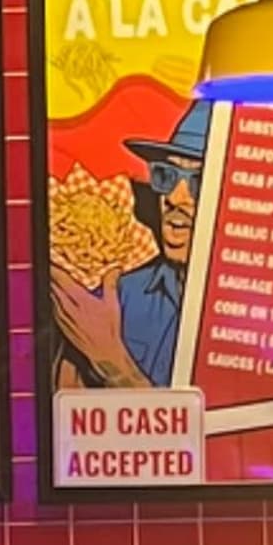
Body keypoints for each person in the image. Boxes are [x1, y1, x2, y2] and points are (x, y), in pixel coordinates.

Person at [51, 119, 203, 395]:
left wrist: (114, 365)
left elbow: (218, 435)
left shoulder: (258, 317)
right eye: (166, 176)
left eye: (199, 181)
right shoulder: (118, 297)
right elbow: (64, 418)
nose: (175, 198)